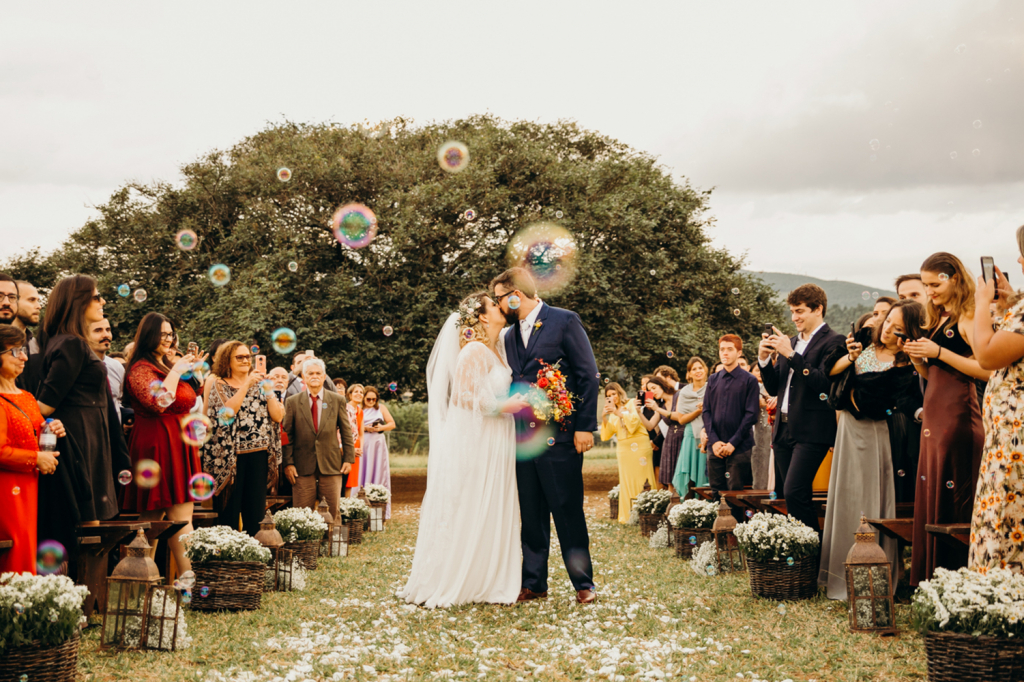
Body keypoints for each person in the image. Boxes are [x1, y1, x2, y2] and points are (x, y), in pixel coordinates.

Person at [400, 292, 526, 607]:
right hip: (482, 438)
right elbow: (462, 397)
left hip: (500, 437)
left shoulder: (498, 349)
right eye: (495, 305)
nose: (502, 306)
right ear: (483, 316)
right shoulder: (473, 351)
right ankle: (463, 578)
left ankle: (491, 576)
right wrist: (503, 405)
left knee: (495, 500)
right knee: (474, 500)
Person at [493, 267, 599, 604]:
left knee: (567, 510)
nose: (498, 305)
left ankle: (583, 584)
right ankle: (534, 583)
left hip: (562, 437)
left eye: (500, 298)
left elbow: (587, 375)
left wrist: (585, 426)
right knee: (531, 513)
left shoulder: (565, 321)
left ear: (516, 295)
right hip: (524, 439)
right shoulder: (509, 336)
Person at [819, 300, 925, 599]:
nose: (889, 328)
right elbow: (830, 369)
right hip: (848, 430)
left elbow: (900, 400)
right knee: (844, 497)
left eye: (899, 328)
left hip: (875, 432)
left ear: (909, 333)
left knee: (869, 499)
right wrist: (850, 358)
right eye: (889, 320)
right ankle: (837, 574)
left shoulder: (905, 362)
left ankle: (873, 576)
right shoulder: (863, 340)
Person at [904, 252, 990, 585]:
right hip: (934, 413)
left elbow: (984, 369)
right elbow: (934, 371)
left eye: (933, 283)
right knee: (933, 490)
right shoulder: (940, 317)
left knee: (953, 498)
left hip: (957, 414)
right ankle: (931, 579)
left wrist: (938, 352)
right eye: (925, 286)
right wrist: (919, 360)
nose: (929, 292)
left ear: (953, 277)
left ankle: (955, 579)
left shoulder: (968, 316)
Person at [36, 275, 130, 547]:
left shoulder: (66, 341)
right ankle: (85, 587)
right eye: (96, 296)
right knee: (85, 531)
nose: (102, 301)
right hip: (79, 441)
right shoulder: (71, 344)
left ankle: (88, 586)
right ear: (78, 302)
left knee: (90, 530)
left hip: (89, 438)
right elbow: (45, 404)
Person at [122, 313, 207, 574]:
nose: (169, 339)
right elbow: (158, 402)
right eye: (163, 334)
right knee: (150, 519)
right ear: (148, 335)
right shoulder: (140, 370)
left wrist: (193, 375)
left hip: (180, 444)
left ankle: (187, 581)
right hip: (157, 445)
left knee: (180, 520)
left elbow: (189, 398)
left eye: (171, 334)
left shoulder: (168, 366)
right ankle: (136, 579)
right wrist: (178, 370)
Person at [758, 283, 846, 532]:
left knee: (794, 491)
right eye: (792, 312)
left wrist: (791, 355)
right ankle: (803, 555)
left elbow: (823, 385)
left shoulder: (834, 341)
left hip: (812, 430)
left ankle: (811, 554)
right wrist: (764, 359)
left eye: (799, 311)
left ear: (818, 309)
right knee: (793, 495)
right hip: (783, 429)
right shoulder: (791, 341)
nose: (794, 317)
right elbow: (774, 388)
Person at [969, 227, 1024, 572]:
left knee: (1007, 512)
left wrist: (980, 304)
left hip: (1014, 436)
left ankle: (1002, 592)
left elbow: (986, 358)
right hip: (1003, 432)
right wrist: (1008, 304)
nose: (1018, 260)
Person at [0, 326, 65, 573]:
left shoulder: (27, 396)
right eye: (15, 351)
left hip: (30, 484)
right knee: (15, 548)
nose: (24, 357)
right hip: (7, 488)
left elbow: (35, 435)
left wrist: (54, 428)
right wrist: (35, 458)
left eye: (24, 350)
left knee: (28, 544)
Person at [202, 340, 284, 536]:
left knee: (255, 512)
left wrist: (269, 390)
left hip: (259, 454)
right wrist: (246, 383)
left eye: (248, 357)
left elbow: (277, 416)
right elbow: (227, 413)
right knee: (229, 512)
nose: (246, 361)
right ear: (227, 360)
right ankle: (228, 558)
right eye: (240, 357)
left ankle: (252, 558)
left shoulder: (261, 384)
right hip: (231, 457)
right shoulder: (219, 384)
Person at [282, 357, 355, 522]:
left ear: (324, 376)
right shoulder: (292, 402)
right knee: (301, 515)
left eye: (318, 373)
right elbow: (288, 435)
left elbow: (346, 431)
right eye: (310, 373)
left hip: (331, 464)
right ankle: (305, 547)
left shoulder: (337, 400)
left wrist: (348, 459)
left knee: (332, 512)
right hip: (301, 466)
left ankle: (331, 545)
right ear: (304, 377)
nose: (314, 376)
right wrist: (288, 463)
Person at [703, 335, 759, 516]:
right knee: (715, 492)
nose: (725, 353)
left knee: (735, 493)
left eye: (730, 349)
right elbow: (706, 412)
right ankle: (718, 535)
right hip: (716, 446)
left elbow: (751, 415)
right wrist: (714, 442)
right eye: (722, 349)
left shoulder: (749, 380)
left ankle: (736, 534)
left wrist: (733, 443)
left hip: (739, 447)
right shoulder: (713, 379)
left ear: (739, 352)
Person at [602, 381, 655, 524]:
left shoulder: (632, 403)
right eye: (609, 396)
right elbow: (606, 435)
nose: (612, 397)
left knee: (643, 479)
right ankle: (628, 515)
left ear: (619, 393)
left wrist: (619, 413)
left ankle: (648, 514)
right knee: (626, 481)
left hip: (640, 445)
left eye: (614, 394)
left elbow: (634, 423)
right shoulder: (612, 412)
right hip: (624, 449)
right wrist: (604, 417)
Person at [670, 357, 708, 496]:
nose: (698, 371)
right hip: (691, 435)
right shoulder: (684, 393)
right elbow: (681, 419)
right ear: (689, 374)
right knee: (690, 473)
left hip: (710, 434)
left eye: (700, 367)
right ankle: (690, 503)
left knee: (706, 474)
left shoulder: (712, 388)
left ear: (705, 369)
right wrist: (698, 411)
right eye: (694, 369)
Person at [360, 385, 396, 519]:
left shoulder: (381, 408)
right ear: (364, 398)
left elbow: (392, 424)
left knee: (378, 471)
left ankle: (379, 513)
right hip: (364, 443)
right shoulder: (359, 409)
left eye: (374, 399)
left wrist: (381, 427)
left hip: (378, 444)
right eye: (368, 399)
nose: (371, 402)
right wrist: (365, 428)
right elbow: (352, 426)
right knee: (362, 471)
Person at [87, 318, 125, 422]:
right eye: (98, 330)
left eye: (108, 330)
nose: (106, 335)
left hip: (114, 433)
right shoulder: (77, 366)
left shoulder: (117, 366)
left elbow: (118, 400)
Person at [638, 375, 672, 487]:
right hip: (669, 442)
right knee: (667, 480)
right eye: (649, 390)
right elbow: (650, 426)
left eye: (654, 388)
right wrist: (638, 412)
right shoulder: (660, 406)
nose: (651, 392)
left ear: (662, 385)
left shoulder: (676, 397)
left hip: (679, 439)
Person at [749, 362, 773, 490]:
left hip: (773, 433)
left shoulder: (774, 386)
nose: (760, 372)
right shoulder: (750, 387)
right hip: (757, 436)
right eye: (757, 370)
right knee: (760, 465)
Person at [344, 384, 365, 497]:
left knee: (351, 480)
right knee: (345, 477)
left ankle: (347, 504)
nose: (359, 394)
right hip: (346, 446)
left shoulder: (360, 411)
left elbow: (361, 434)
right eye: (356, 391)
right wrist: (351, 448)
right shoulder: (344, 408)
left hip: (357, 448)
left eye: (361, 392)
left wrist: (361, 448)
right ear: (350, 394)